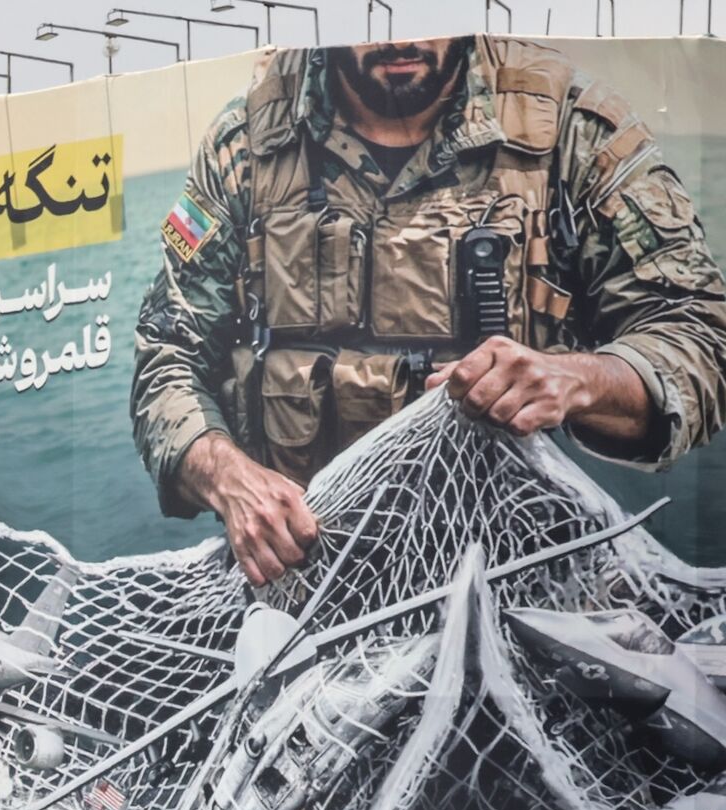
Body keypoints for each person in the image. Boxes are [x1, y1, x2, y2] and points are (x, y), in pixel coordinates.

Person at [131, 36, 726, 586]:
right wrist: (226, 476)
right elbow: (167, 355)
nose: (400, 36)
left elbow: (700, 336)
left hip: (528, 575)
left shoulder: (575, 132)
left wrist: (579, 379)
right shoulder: (246, 145)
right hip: (310, 584)